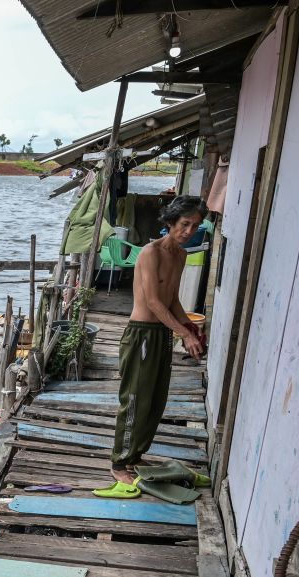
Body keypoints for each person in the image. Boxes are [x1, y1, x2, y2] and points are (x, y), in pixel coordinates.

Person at [101, 196, 206, 496]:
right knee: (135, 399)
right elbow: (153, 302)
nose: (188, 231)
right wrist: (182, 335)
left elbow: (172, 300)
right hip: (142, 333)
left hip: (162, 333)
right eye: (184, 224)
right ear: (171, 222)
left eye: (195, 226)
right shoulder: (150, 253)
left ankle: (135, 456)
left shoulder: (182, 256)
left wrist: (189, 327)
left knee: (155, 402)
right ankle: (119, 463)